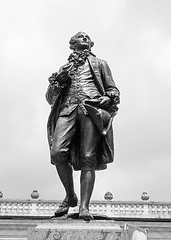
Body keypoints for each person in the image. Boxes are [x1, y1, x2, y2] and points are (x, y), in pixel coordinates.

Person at [46, 32, 120, 220]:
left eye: (87, 37)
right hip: (67, 109)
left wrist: (106, 98)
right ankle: (70, 196)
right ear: (72, 44)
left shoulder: (100, 64)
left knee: (89, 157)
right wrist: (59, 81)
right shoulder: (64, 68)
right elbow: (50, 98)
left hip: (90, 109)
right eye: (81, 37)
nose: (85, 38)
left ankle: (84, 206)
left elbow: (113, 90)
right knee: (57, 152)